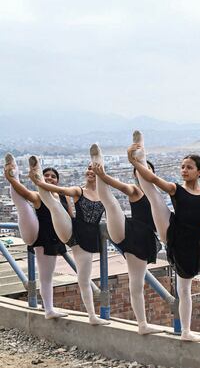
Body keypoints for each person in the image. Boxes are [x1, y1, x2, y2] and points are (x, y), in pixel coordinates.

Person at [127, 131, 200, 342]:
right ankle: (185, 331)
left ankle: (185, 330)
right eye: (182, 166)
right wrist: (135, 162)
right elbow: (153, 179)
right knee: (152, 193)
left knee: (184, 289)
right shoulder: (176, 189)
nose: (184, 170)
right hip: (173, 230)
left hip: (192, 242)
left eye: (189, 167)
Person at [29, 154, 109, 325]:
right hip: (74, 231)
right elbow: (60, 191)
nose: (90, 171)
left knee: (84, 279)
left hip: (86, 240)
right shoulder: (79, 190)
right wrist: (39, 182)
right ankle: (36, 172)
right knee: (54, 205)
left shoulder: (104, 194)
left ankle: (92, 316)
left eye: (94, 168)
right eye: (89, 168)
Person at [90, 143, 161, 335]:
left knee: (136, 284)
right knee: (111, 204)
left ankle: (142, 324)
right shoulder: (137, 190)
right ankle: (98, 162)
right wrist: (102, 175)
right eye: (140, 170)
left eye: (147, 170)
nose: (143, 173)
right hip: (128, 230)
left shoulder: (157, 196)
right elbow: (121, 188)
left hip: (141, 242)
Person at [4, 153, 69, 319]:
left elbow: (70, 218)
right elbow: (25, 194)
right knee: (23, 206)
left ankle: (47, 307)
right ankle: (49, 310)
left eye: (53, 176)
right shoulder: (39, 195)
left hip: (54, 238)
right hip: (39, 235)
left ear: (57, 181)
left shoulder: (63, 197)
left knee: (46, 275)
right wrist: (12, 180)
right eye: (46, 175)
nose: (49, 178)